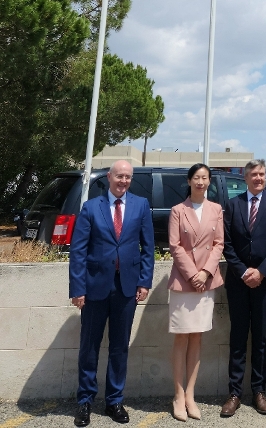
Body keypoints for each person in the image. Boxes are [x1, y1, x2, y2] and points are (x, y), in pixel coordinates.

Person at [69, 160, 154, 427]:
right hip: (94, 287)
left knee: (119, 347)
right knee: (89, 347)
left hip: (126, 288)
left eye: (128, 177)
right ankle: (85, 401)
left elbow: (148, 248)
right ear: (109, 177)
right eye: (119, 176)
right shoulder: (91, 207)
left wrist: (144, 282)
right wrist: (78, 288)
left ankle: (114, 400)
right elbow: (78, 251)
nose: (123, 181)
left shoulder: (141, 205)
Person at [220, 159, 266, 417]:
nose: (258, 178)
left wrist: (260, 272)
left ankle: (259, 391)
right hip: (237, 282)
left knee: (261, 338)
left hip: (265, 281)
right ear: (245, 177)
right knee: (237, 337)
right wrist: (242, 271)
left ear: (265, 177)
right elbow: (227, 243)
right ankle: (234, 393)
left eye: (262, 174)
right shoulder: (233, 205)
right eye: (253, 174)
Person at [168, 163, 224, 421]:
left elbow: (218, 243)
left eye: (205, 178)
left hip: (206, 282)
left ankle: (191, 395)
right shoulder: (178, 210)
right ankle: (178, 395)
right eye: (196, 178)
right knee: (181, 337)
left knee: (197, 337)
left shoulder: (216, 209)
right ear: (189, 181)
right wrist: (193, 274)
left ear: (209, 182)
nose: (201, 182)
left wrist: (206, 273)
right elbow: (175, 246)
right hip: (184, 281)